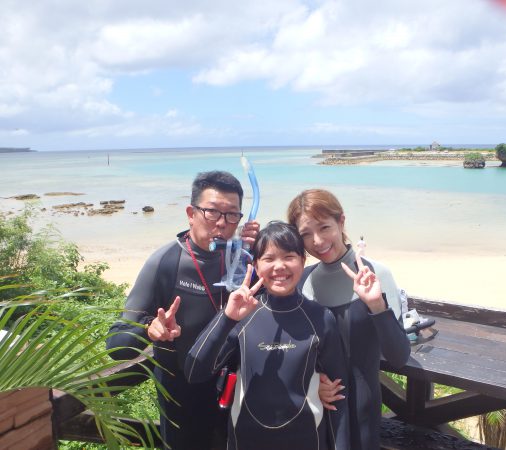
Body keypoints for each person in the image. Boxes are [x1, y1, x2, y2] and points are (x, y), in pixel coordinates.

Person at [106, 171, 260, 450]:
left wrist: (260, 249)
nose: (221, 223)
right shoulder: (166, 263)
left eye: (231, 215)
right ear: (191, 214)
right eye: (212, 212)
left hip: (237, 400)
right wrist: (149, 329)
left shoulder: (245, 260)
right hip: (181, 407)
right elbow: (116, 345)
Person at [185, 221, 350, 450]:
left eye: (289, 257)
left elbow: (338, 399)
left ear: (303, 261)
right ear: (255, 265)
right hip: (246, 440)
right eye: (269, 258)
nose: (279, 266)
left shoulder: (320, 318)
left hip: (307, 440)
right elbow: (194, 371)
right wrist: (227, 318)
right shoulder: (242, 316)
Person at [287, 189, 411, 450]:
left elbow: (398, 356)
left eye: (324, 227)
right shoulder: (302, 281)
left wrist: (376, 305)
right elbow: (295, 352)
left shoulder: (376, 274)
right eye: (305, 234)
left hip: (361, 414)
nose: (317, 241)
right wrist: (312, 383)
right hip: (314, 411)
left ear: (341, 221)